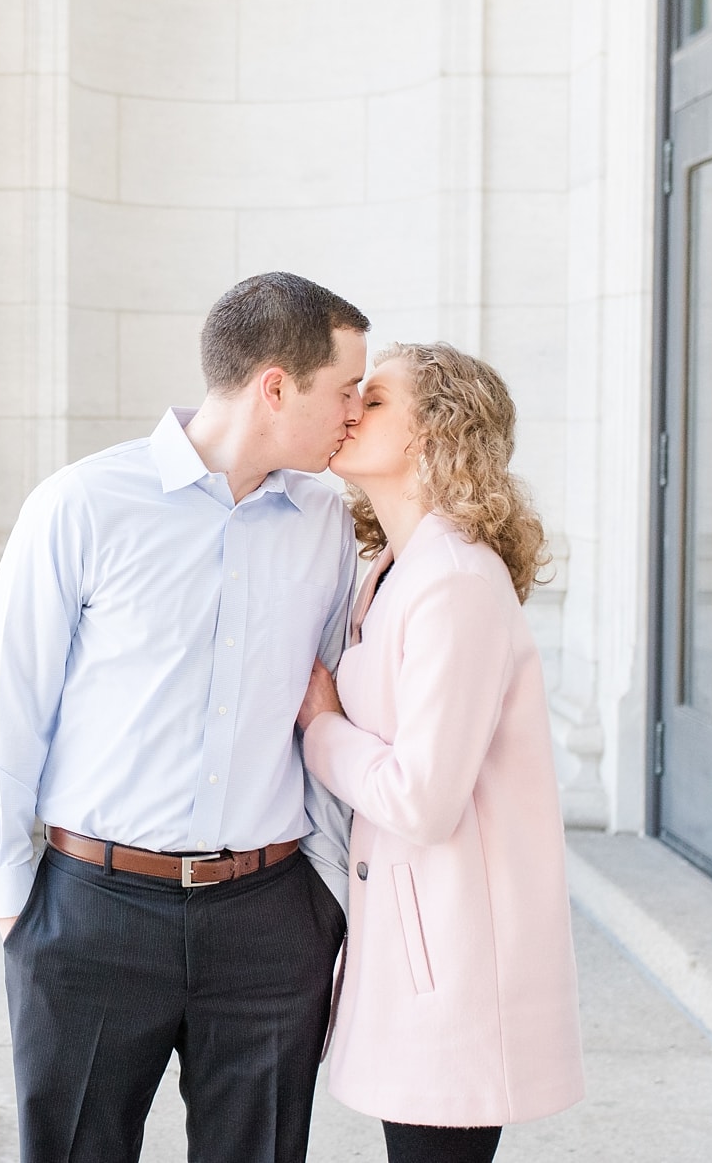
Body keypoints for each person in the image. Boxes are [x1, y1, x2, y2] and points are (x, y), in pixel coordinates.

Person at [0, 272, 370, 1163]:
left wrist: (325, 898)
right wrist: (16, 913)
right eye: (344, 390)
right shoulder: (81, 504)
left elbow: (332, 700)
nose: (355, 414)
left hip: (270, 924)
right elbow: (6, 709)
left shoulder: (325, 524)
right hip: (91, 916)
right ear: (275, 386)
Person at [297, 342, 584, 1163]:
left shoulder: (455, 580)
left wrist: (322, 727)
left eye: (376, 400)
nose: (350, 411)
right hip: (413, 942)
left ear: (434, 432)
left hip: (457, 958)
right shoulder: (390, 569)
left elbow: (423, 798)